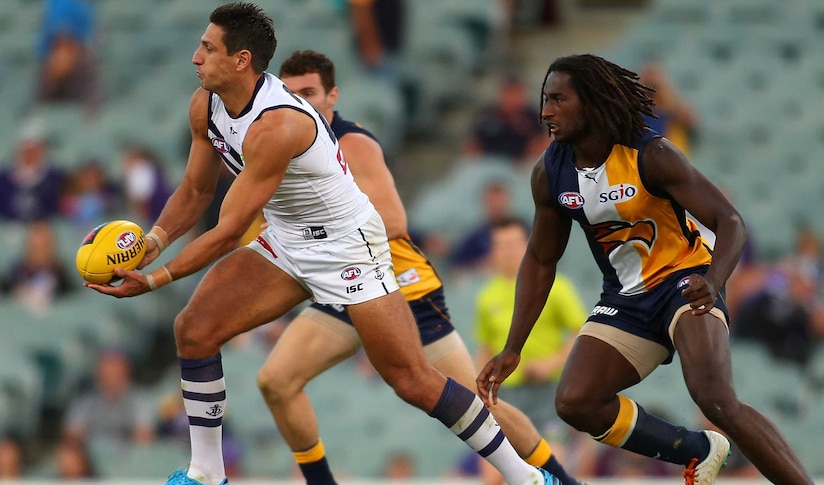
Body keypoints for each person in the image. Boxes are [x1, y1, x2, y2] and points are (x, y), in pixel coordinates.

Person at [85, 5, 561, 485]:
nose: (195, 57)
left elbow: (229, 230)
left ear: (241, 60)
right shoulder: (204, 104)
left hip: (348, 248)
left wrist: (155, 279)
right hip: (288, 241)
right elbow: (194, 191)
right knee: (194, 328)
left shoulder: (278, 125)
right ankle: (207, 473)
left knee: (412, 380)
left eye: (207, 49)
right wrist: (153, 241)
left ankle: (528, 478)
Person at [476, 54, 814, 485]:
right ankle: (699, 450)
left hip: (685, 281)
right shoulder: (550, 173)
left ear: (592, 102)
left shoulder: (652, 154)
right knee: (576, 401)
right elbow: (541, 260)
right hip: (625, 298)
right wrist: (513, 347)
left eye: (558, 100)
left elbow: (730, 222)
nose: (546, 112)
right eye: (545, 100)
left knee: (715, 400)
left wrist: (713, 282)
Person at [257, 49, 581, 485]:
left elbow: (392, 221)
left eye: (309, 93)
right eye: (290, 94)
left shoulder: (352, 144)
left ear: (332, 96)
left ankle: (559, 479)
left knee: (480, 402)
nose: (299, 102)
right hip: (341, 287)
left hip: (399, 287)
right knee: (275, 381)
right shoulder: (282, 150)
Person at [475, 217, 586, 433]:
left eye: (513, 244)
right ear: (493, 251)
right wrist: (478, 386)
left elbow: (582, 332)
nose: (508, 251)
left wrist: (552, 362)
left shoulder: (555, 286)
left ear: (527, 244)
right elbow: (485, 346)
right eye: (501, 245)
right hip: (504, 393)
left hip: (547, 390)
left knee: (552, 455)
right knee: (495, 461)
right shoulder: (486, 296)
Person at [63, 348, 156, 445]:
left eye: (115, 372)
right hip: (92, 456)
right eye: (106, 371)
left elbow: (144, 438)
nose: (110, 377)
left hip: (129, 457)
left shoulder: (141, 401)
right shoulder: (83, 402)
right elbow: (72, 437)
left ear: (126, 373)